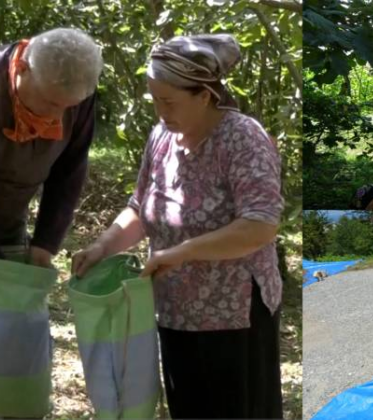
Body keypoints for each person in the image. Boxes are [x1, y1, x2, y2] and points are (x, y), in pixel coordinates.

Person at [71, 34, 284, 419]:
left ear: (204, 95)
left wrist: (183, 252)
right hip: (173, 309)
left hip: (233, 314)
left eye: (169, 101)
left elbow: (260, 225)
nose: (159, 111)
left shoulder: (242, 138)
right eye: (154, 99)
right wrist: (102, 247)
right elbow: (140, 207)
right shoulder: (162, 137)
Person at [0, 28, 102, 264]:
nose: (57, 116)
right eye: (51, 102)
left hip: (8, 222)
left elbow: (70, 168)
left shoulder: (77, 90)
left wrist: (45, 242)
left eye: (69, 106)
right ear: (22, 69)